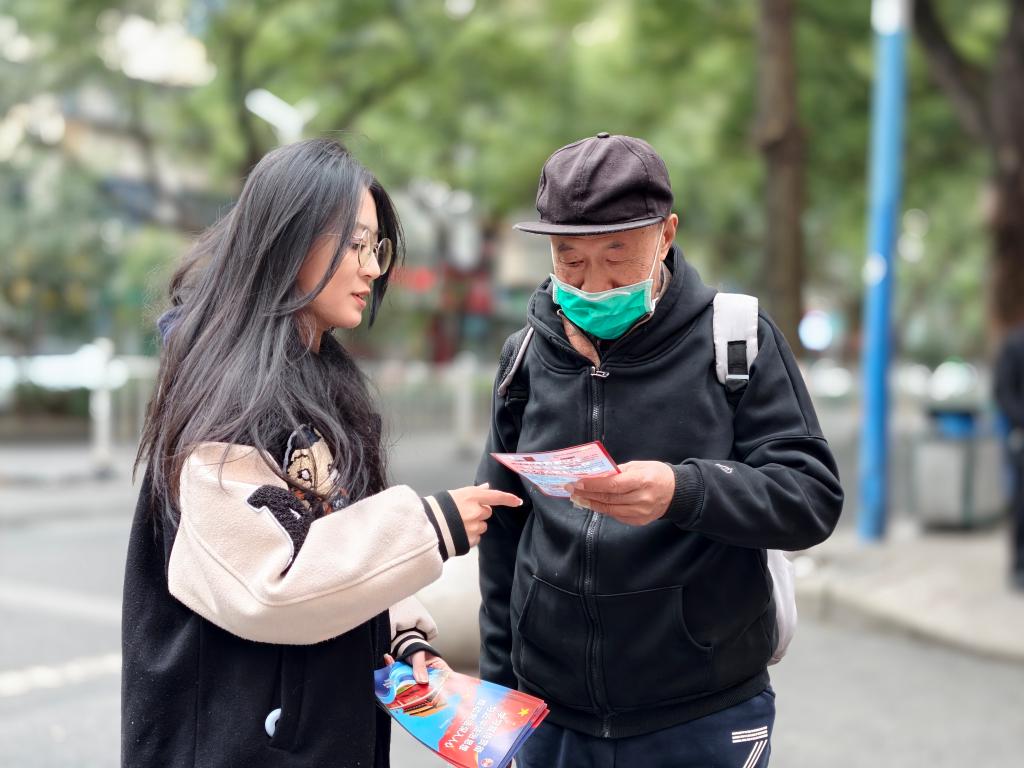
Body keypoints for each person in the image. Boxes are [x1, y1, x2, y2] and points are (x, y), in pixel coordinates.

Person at [121, 138, 522, 768]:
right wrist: (431, 525)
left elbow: (333, 525)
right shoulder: (228, 392)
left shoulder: (317, 374)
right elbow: (267, 585)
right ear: (290, 241)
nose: (372, 268)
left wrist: (402, 633)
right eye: (354, 245)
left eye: (375, 248)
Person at [476, 133, 844, 767]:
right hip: (550, 716)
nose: (594, 284)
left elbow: (810, 498)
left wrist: (684, 491)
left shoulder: (736, 340)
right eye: (570, 259)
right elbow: (503, 528)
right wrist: (497, 698)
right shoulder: (526, 357)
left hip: (702, 714)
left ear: (666, 234)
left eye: (617, 255)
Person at [995, 324, 1024, 591]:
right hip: (1021, 439)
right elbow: (1003, 393)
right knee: (1021, 505)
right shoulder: (1014, 346)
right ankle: (1019, 566)